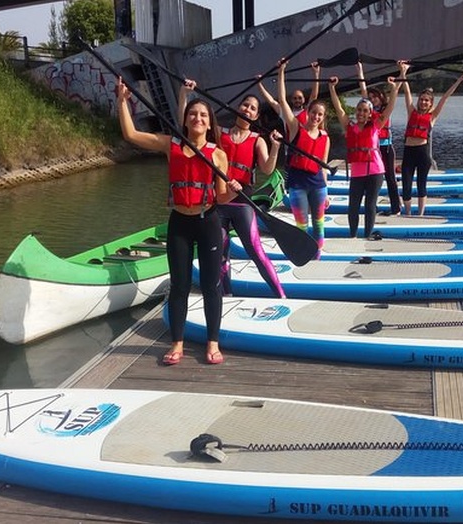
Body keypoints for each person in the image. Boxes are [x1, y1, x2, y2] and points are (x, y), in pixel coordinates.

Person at [116, 77, 240, 366]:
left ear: (209, 124)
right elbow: (131, 135)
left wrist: (232, 190)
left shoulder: (218, 155)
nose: (198, 118)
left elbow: (220, 199)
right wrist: (123, 101)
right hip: (179, 225)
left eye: (203, 115)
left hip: (208, 222)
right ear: (185, 120)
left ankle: (212, 342)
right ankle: (177, 343)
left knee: (211, 285)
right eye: (193, 114)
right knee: (180, 285)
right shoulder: (168, 144)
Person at [178, 80, 286, 299]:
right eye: (245, 105)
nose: (248, 109)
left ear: (255, 117)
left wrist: (275, 146)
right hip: (219, 204)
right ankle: (226, 296)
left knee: (256, 251)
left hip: (242, 203)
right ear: (239, 109)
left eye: (253, 108)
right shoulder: (219, 133)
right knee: (220, 256)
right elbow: (186, 125)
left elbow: (267, 168)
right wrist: (184, 95)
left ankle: (281, 295)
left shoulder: (258, 140)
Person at [329, 62, 403, 238]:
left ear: (370, 113)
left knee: (370, 205)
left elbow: (390, 108)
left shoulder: (376, 126)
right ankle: (353, 235)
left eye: (364, 111)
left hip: (375, 170)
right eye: (359, 110)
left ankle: (368, 235)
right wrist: (332, 88)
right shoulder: (350, 126)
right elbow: (339, 109)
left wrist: (394, 89)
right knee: (353, 205)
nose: (361, 113)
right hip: (357, 171)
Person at [277, 58, 331, 258]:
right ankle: (303, 255)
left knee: (319, 223)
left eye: (320, 115)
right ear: (307, 113)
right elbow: (282, 100)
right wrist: (281, 71)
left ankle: (317, 255)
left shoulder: (325, 138)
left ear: (323, 118)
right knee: (302, 225)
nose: (316, 117)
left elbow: (323, 167)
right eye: (314, 113)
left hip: (318, 185)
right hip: (297, 184)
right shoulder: (295, 128)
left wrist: (326, 192)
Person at [400, 69, 463, 216]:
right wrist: (403, 73)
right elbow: (407, 92)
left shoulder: (432, 116)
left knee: (421, 185)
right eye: (422, 99)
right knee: (406, 185)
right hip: (409, 152)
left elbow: (445, 97)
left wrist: (459, 80)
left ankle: (420, 214)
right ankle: (407, 213)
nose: (423, 102)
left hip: (422, 153)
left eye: (427, 100)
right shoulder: (411, 112)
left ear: (430, 103)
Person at [358, 61, 401, 216]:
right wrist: (360, 71)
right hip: (373, 149)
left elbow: (394, 93)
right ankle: (372, 208)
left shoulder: (385, 109)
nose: (372, 99)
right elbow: (363, 91)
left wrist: (400, 75)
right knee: (372, 179)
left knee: (390, 177)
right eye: (371, 98)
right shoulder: (368, 110)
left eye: (375, 97)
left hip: (386, 147)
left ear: (381, 97)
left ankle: (396, 208)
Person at [258, 61, 321, 129]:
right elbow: (271, 101)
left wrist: (316, 73)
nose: (297, 100)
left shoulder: (308, 111)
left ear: (304, 99)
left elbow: (314, 95)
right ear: (291, 100)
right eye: (295, 98)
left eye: (300, 98)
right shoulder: (285, 113)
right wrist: (259, 84)